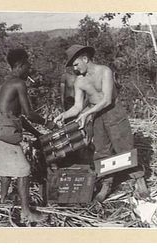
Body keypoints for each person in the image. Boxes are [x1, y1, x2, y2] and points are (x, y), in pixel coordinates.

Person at [54, 44, 149, 202]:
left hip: (114, 113)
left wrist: (87, 113)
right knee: (101, 150)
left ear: (85, 59)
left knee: (124, 147)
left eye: (76, 64)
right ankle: (107, 184)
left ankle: (139, 180)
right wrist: (63, 115)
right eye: (73, 67)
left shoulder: (105, 71)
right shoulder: (79, 81)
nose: (75, 69)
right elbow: (77, 107)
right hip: (97, 118)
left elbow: (106, 100)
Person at [0, 48, 56, 222]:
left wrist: (37, 133)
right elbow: (29, 113)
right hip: (4, 130)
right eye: (28, 65)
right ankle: (27, 212)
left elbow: (15, 115)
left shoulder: (6, 83)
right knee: (24, 169)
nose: (29, 68)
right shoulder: (19, 83)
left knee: (5, 166)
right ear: (20, 65)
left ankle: (3, 199)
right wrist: (48, 123)